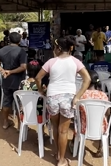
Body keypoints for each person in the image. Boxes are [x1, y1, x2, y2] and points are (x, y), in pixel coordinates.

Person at [35, 36, 91, 166]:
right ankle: (61, 160)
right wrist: (77, 96)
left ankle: (58, 154)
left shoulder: (51, 62)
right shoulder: (76, 62)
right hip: (68, 98)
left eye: (55, 47)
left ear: (59, 48)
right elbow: (87, 79)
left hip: (52, 96)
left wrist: (40, 90)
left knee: (55, 126)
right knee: (63, 130)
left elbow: (38, 78)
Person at [70, 70, 108, 157]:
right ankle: (101, 147)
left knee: (77, 119)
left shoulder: (81, 95)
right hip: (101, 129)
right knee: (103, 119)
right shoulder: (103, 95)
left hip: (83, 128)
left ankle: (74, 143)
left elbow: (75, 110)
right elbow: (107, 112)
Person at [0, 32, 27, 129]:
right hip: (19, 82)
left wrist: (2, 70)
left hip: (6, 80)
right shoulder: (21, 51)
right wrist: (11, 72)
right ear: (20, 40)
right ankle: (20, 125)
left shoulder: (1, 50)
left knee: (6, 102)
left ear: (9, 39)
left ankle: (5, 122)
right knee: (19, 104)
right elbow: (23, 67)